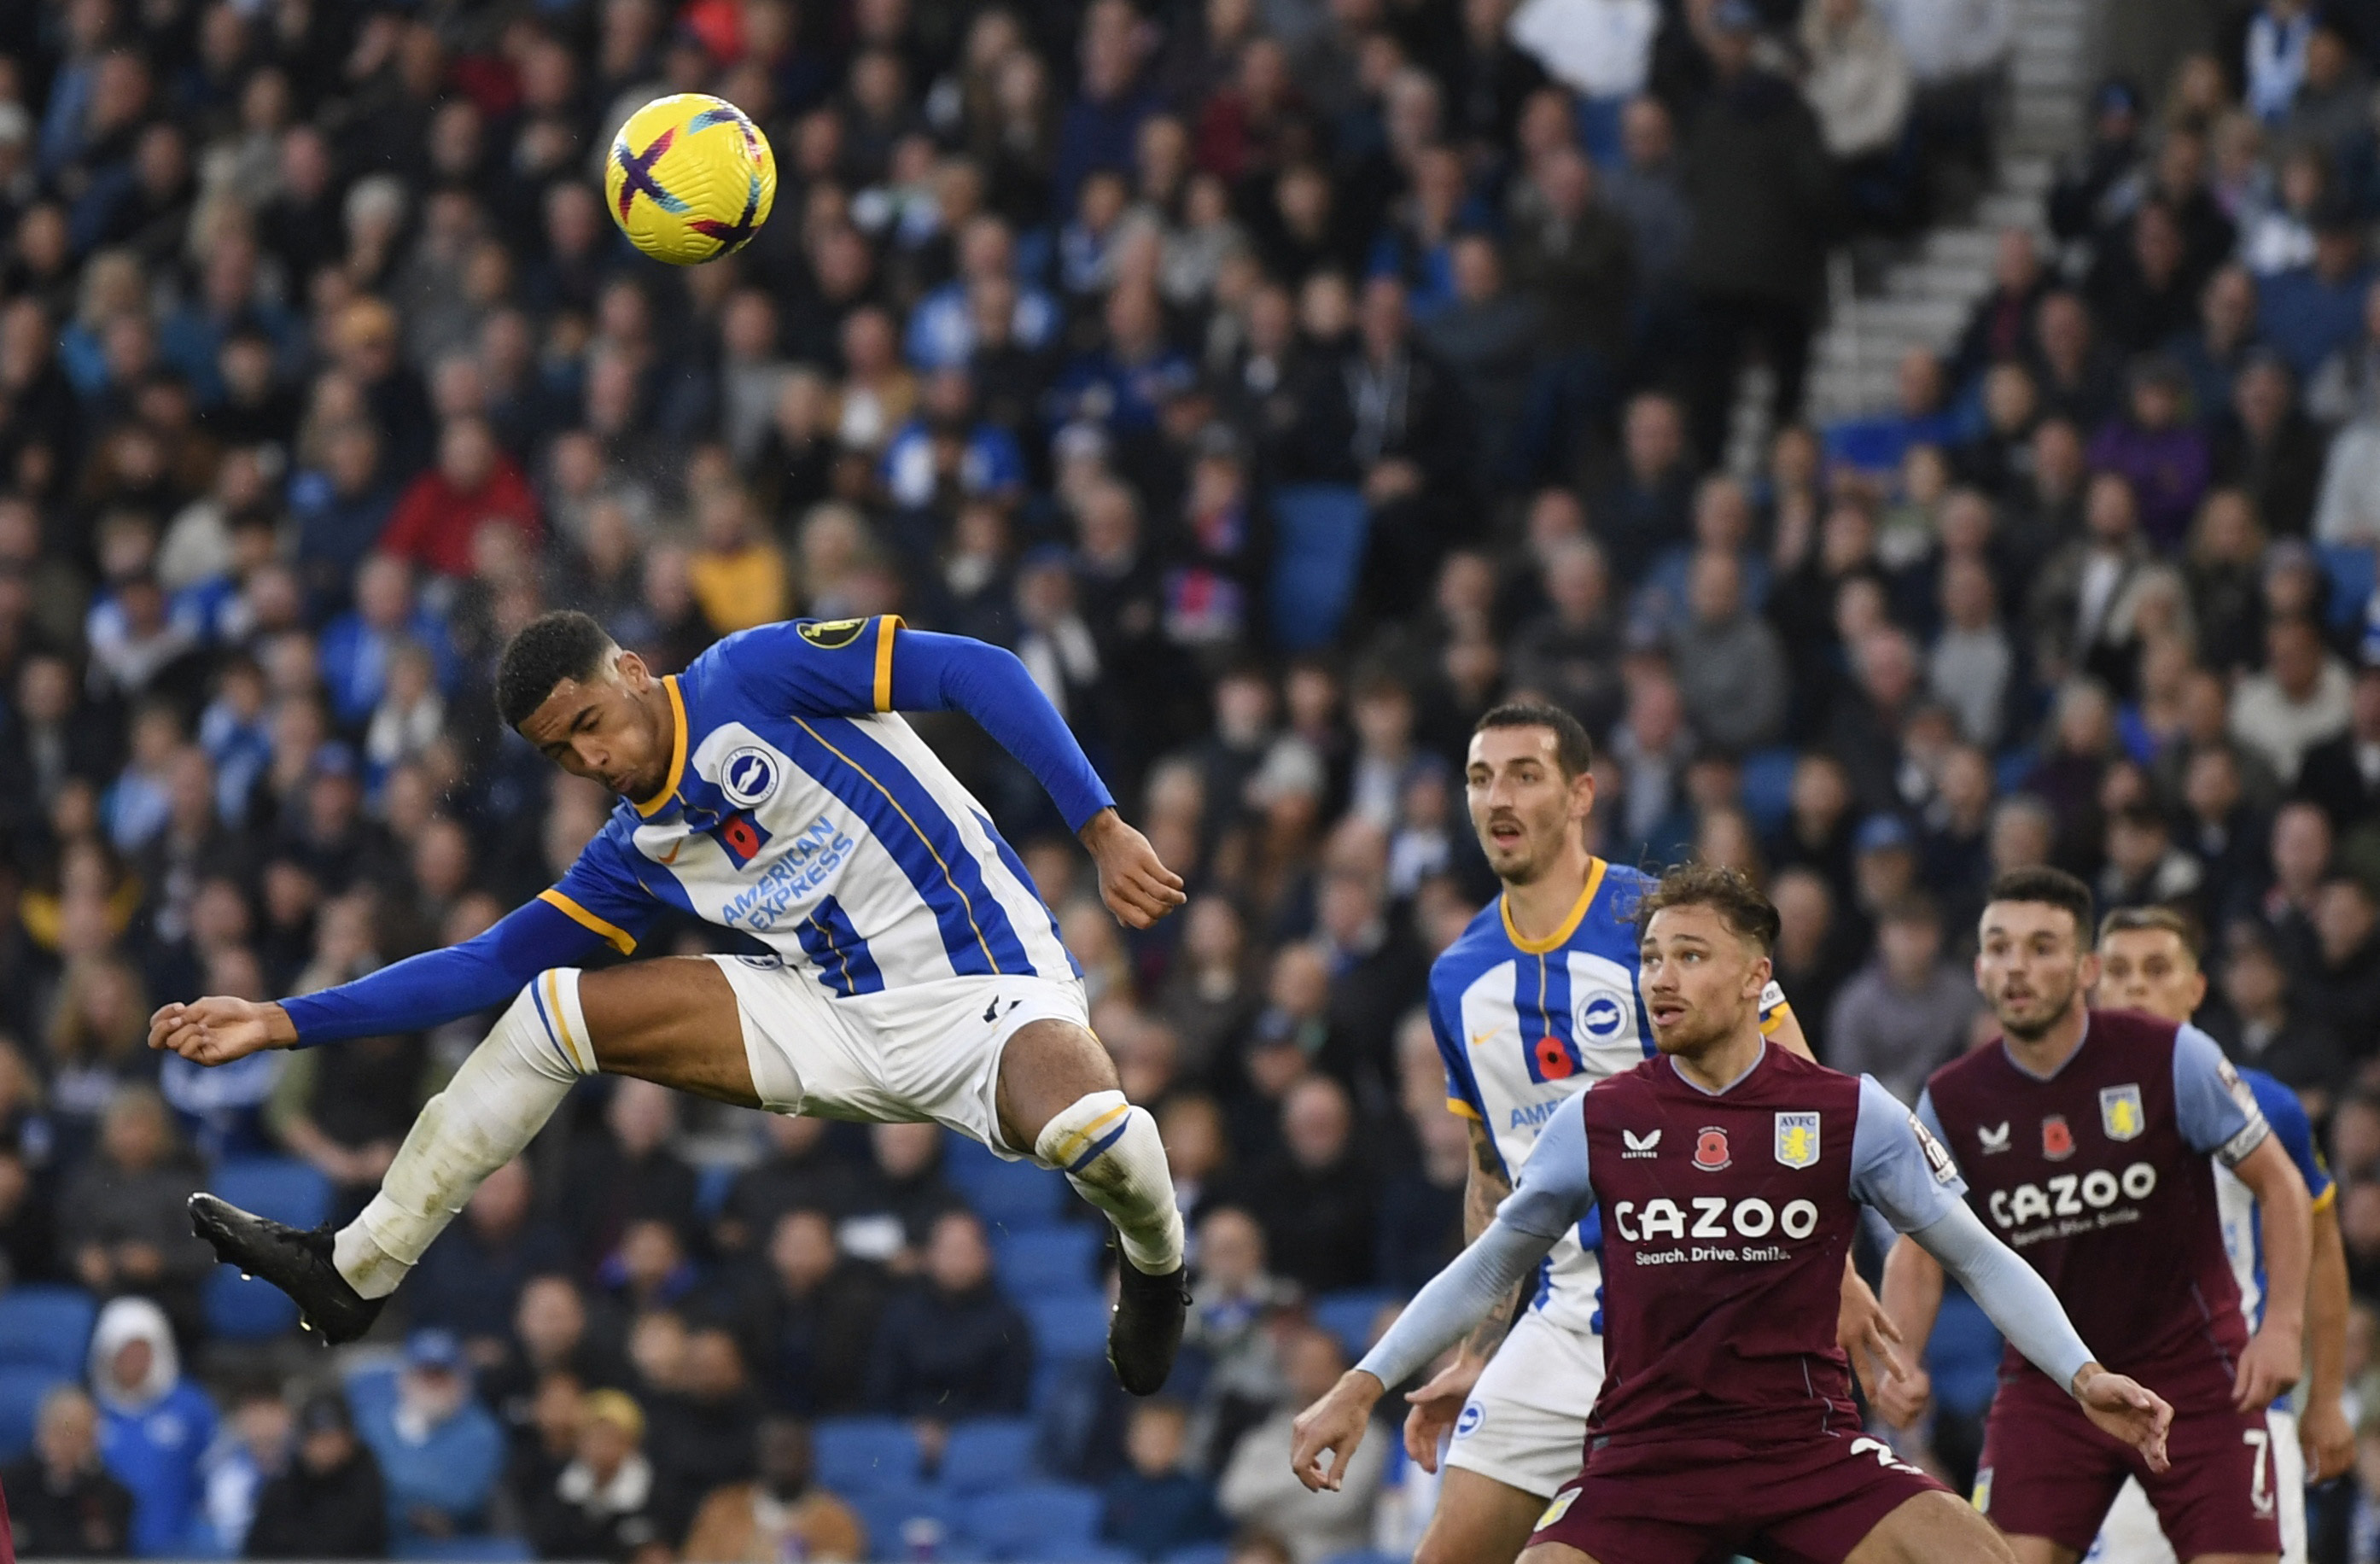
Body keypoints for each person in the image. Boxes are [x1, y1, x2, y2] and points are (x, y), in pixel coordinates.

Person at [153, 610, 1191, 1395]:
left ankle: (1153, 1266)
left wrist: (1099, 827)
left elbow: (976, 668)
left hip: (987, 988)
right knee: (551, 1011)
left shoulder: (754, 670)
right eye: (562, 753)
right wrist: (284, 1019)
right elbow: (482, 964)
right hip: (827, 1016)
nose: (591, 758)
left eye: (591, 724)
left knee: (1098, 1136)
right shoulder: (630, 854)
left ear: (634, 671)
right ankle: (357, 1268)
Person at [1288, 863, 2172, 1564]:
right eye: (1650, 958)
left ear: (1756, 976)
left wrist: (2082, 1373)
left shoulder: (1848, 1112)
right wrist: (1360, 1383)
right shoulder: (1595, 1120)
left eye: (1689, 956)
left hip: (1803, 1450)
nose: (1659, 979)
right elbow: (1486, 1265)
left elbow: (1977, 1256)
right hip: (1647, 1460)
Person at [1390, 702, 1879, 1564]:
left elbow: (1798, 1097)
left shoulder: (1658, 923)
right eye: (1479, 777)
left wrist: (1830, 1267)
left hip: (1712, 1307)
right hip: (1566, 1316)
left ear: (1581, 793)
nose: (1498, 796)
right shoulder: (1455, 978)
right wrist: (1478, 1347)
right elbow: (1491, 1179)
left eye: (1524, 773)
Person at [1880, 867, 2310, 1564]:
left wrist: (2284, 1328)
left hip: (2198, 1373)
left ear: (2087, 968)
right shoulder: (1951, 1099)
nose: (2017, 966)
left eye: (2042, 947)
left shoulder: (2173, 1056)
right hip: (2051, 1384)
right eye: (1999, 946)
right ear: (1980, 967)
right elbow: (1921, 1249)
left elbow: (2283, 1188)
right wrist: (1901, 1357)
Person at [2086, 906, 2351, 1564]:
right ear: (2092, 982)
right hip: (2107, 1416)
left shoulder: (2265, 1105)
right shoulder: (2047, 1111)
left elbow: (2322, 1252)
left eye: (2157, 969)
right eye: (2119, 971)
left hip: (2242, 1407)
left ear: (2196, 987)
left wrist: (2324, 1398)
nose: (2137, 988)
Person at [88, 1294, 217, 1556]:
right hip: (105, 1550)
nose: (133, 1361)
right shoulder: (86, 1411)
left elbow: (213, 1474)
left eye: (141, 1351)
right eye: (124, 1351)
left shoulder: (192, 1408)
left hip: (176, 1548)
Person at [679, 1417, 865, 1563]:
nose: (785, 1462)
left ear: (811, 1458)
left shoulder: (836, 1519)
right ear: (759, 1455)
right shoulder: (722, 1509)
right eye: (777, 1450)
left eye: (793, 1451)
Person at [244, 1392, 389, 1561]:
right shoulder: (284, 1485)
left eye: (331, 1438)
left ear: (349, 1440)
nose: (323, 1447)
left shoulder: (366, 1482)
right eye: (315, 1438)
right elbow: (255, 1548)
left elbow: (351, 1544)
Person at [1, 1386, 133, 1557]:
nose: (68, 1442)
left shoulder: (114, 1497)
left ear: (92, 1439)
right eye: (60, 1430)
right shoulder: (9, 1485)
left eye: (78, 1433)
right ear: (41, 1431)